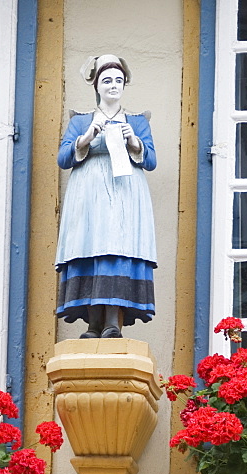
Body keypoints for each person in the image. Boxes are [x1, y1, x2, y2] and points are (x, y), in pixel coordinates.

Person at [55, 54, 157, 339]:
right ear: (96, 85)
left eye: (118, 81)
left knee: (117, 250)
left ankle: (114, 322)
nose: (113, 86)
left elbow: (151, 161)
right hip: (88, 196)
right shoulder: (81, 121)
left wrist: (134, 141)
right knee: (91, 249)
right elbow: (63, 158)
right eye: (107, 80)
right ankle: (92, 324)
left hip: (125, 195)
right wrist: (85, 138)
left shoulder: (136, 121)